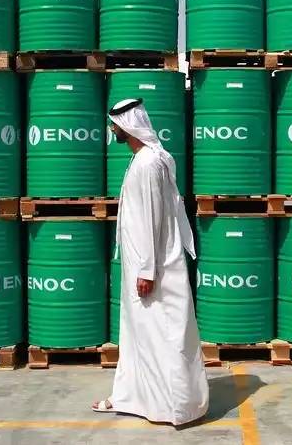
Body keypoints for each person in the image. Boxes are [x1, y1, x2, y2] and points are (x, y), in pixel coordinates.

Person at [92, 98, 209, 425]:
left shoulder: (147, 164)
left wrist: (147, 271)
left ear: (127, 125)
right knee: (140, 335)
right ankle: (134, 397)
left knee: (163, 335)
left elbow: (150, 219)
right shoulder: (145, 159)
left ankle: (175, 406)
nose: (112, 129)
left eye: (114, 124)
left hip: (154, 268)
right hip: (145, 264)